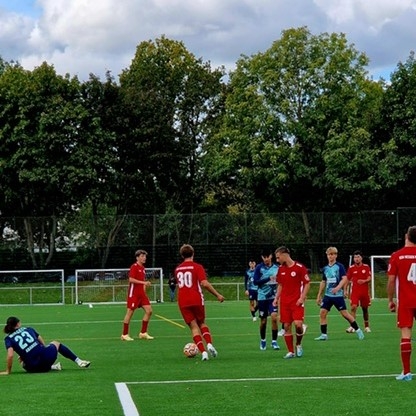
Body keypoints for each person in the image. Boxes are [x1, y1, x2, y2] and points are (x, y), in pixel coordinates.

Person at [174, 244, 224, 361]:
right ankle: (209, 344)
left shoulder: (177, 269)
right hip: (196, 299)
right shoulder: (197, 267)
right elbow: (204, 283)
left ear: (182, 255)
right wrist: (217, 295)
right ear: (193, 253)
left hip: (183, 301)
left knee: (193, 327)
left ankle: (203, 353)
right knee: (201, 323)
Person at [0, 316, 90, 375]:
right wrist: (44, 348)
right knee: (56, 343)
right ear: (18, 323)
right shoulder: (28, 329)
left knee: (21, 358)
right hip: (47, 359)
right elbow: (39, 338)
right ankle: (79, 361)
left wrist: (8, 371)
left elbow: (10, 355)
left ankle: (52, 367)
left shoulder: (8, 338)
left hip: (33, 368)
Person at [315, 246, 364, 341]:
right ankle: (324, 335)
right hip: (328, 295)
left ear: (336, 255)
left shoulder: (339, 266)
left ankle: (358, 330)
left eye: (332, 254)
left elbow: (344, 278)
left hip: (337, 296)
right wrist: (319, 295)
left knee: (345, 314)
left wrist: (338, 287)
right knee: (322, 313)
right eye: (329, 254)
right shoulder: (325, 268)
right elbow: (323, 281)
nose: (330, 256)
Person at [387, 225, 416, 381]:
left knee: (406, 335)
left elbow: (391, 281)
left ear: (406, 236)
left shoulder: (397, 255)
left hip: (405, 301)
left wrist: (390, 300)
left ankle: (407, 372)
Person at [273, 246, 310, 359]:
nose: (277, 260)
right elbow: (280, 285)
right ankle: (290, 351)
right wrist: (276, 298)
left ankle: (298, 344)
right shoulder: (281, 269)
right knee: (286, 326)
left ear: (284, 255)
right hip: (284, 302)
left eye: (278, 257)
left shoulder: (299, 267)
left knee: (298, 325)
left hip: (297, 301)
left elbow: (307, 283)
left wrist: (302, 298)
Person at [121, 249, 154, 341]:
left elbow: (142, 282)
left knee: (149, 311)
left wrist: (144, 289)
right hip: (134, 294)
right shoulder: (134, 267)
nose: (144, 258)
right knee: (130, 312)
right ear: (137, 258)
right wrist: (143, 282)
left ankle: (143, 333)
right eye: (142, 256)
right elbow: (131, 279)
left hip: (141, 294)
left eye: (145, 256)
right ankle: (124, 334)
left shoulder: (143, 268)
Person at [253, 248, 280, 351]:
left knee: (274, 318)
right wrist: (268, 279)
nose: (266, 259)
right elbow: (255, 282)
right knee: (263, 321)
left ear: (271, 256)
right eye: (264, 257)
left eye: (267, 257)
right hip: (262, 297)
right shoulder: (259, 268)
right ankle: (263, 340)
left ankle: (274, 341)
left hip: (273, 297)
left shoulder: (277, 267)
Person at [345, 250, 372, 333]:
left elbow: (369, 278)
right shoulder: (351, 268)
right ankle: (352, 327)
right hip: (355, 292)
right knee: (353, 307)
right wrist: (345, 290)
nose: (356, 259)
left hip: (364, 292)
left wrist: (364, 281)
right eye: (355, 257)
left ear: (361, 258)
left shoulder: (366, 267)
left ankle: (366, 326)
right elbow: (347, 279)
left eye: (358, 257)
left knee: (365, 309)